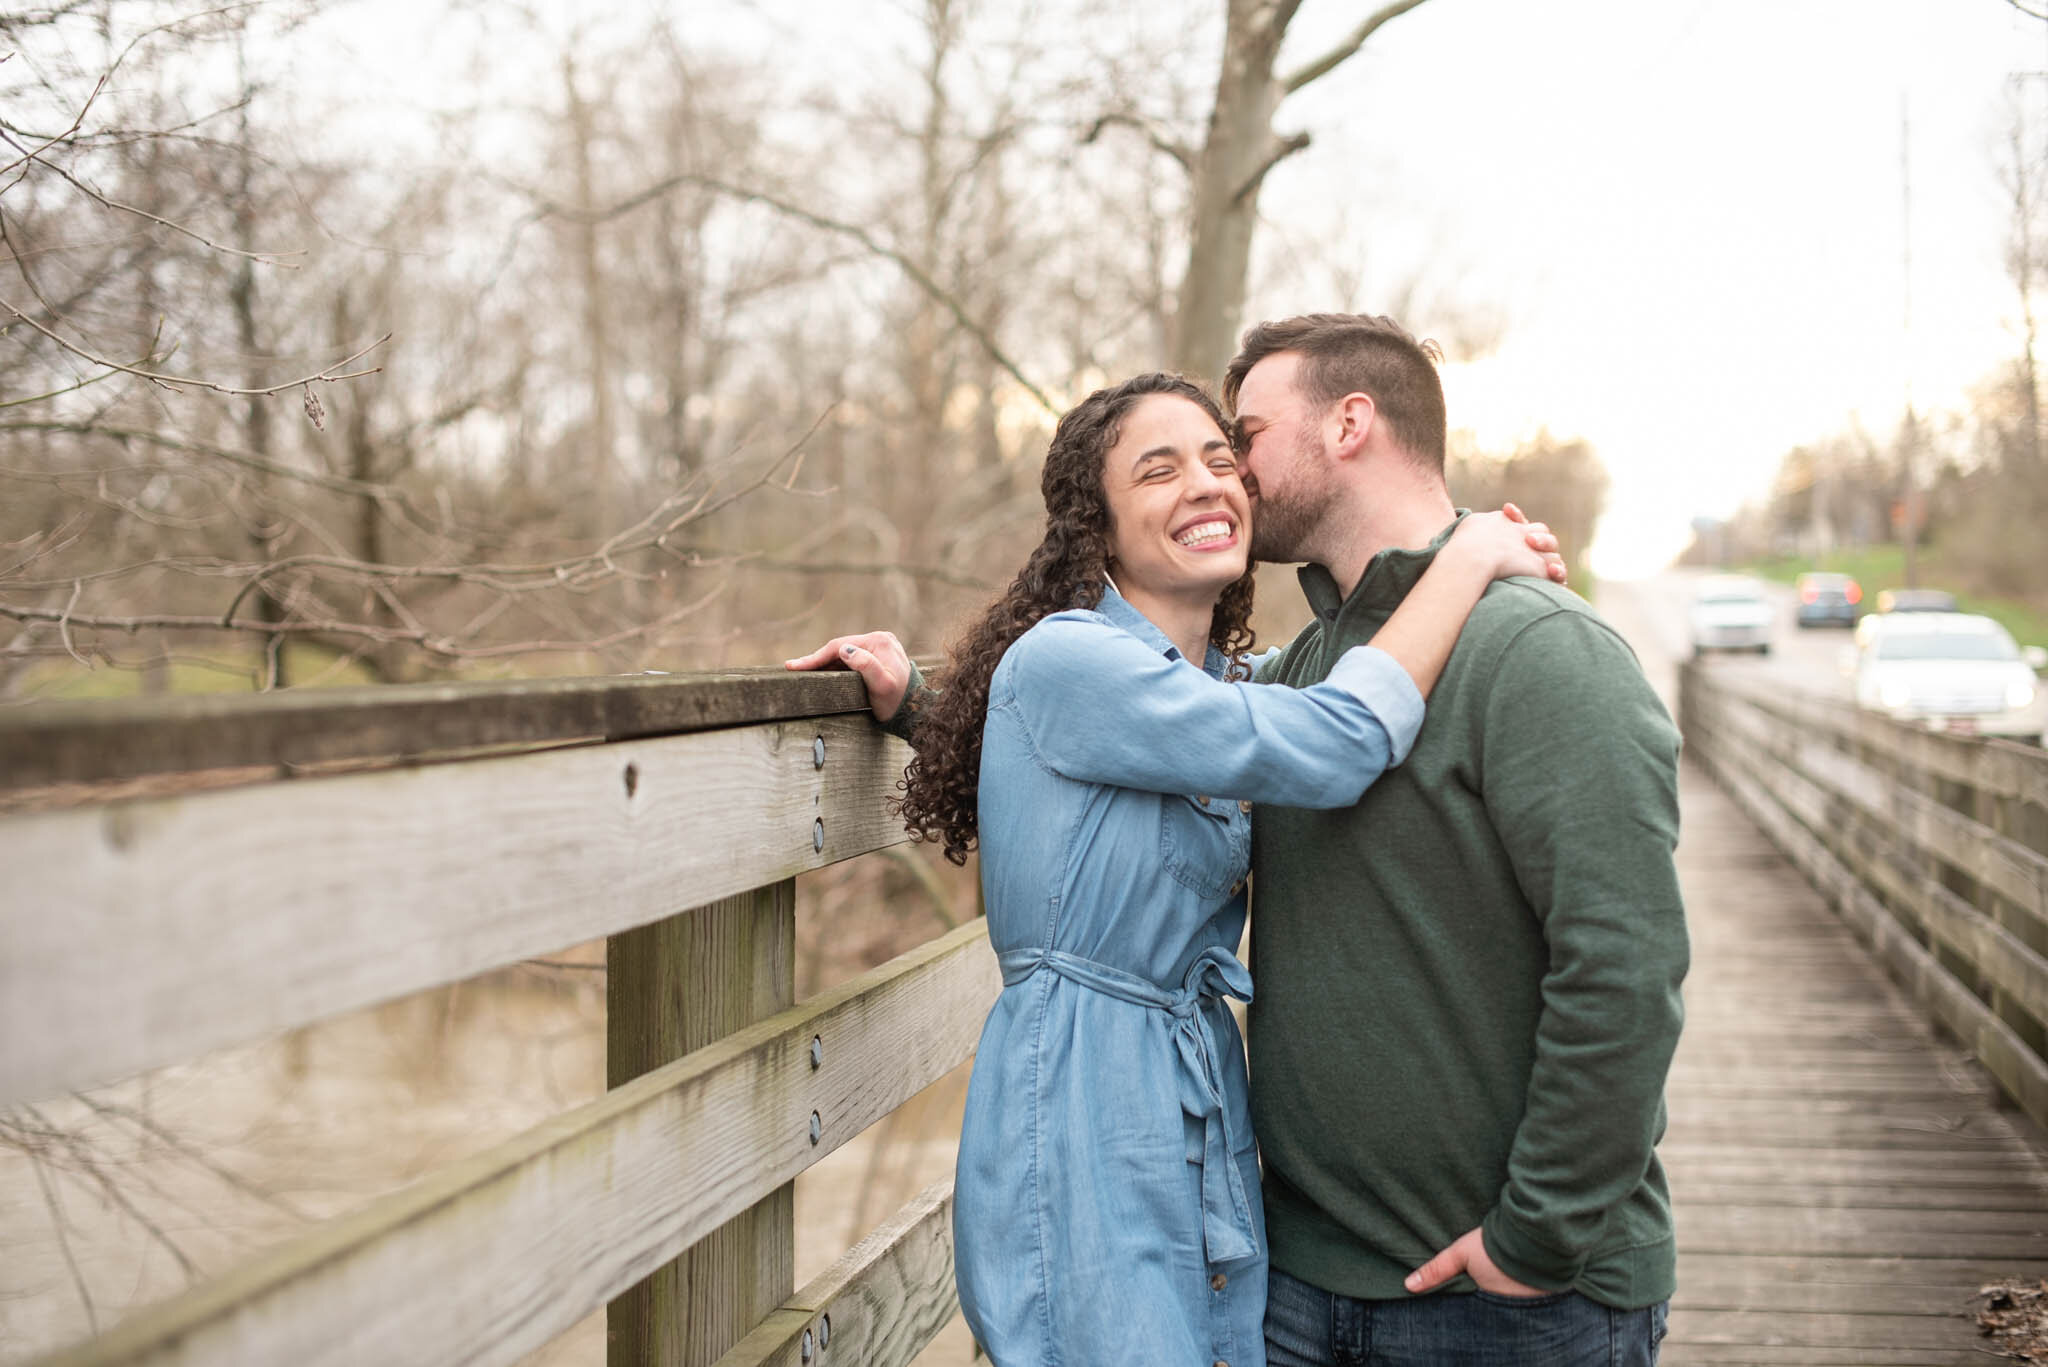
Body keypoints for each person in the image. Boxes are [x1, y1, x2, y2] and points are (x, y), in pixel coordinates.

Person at [786, 370, 1565, 1366]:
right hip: (1081, 1090)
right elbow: (1329, 742)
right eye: (1156, 470)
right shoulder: (1068, 658)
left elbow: (1118, 770)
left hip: (1193, 1087)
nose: (1202, 484)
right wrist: (1465, 558)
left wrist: (915, 703)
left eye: (1216, 459)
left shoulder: (1217, 681)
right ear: (1095, 526)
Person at [1223, 314, 1687, 1367]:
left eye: (1245, 433)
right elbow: (1140, 715)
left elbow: (1623, 967)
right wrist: (919, 695)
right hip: (1297, 1289)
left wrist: (1534, 1238)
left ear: (1349, 422)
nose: (1227, 468)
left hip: (1507, 1307)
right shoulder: (1308, 665)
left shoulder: (1540, 653)